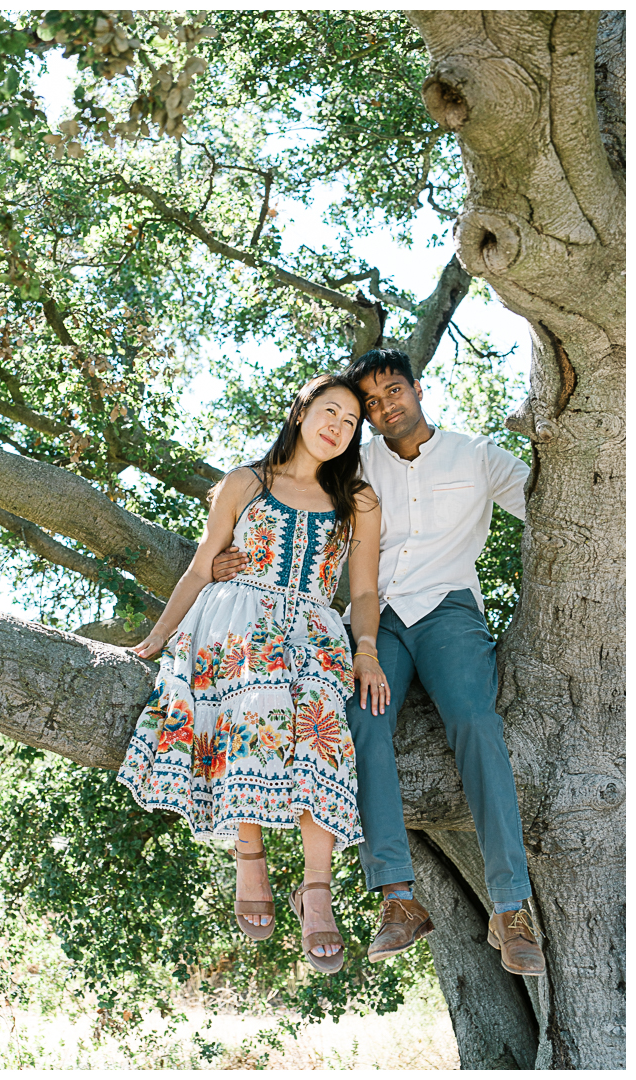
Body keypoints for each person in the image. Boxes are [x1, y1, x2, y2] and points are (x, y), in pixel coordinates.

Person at [213, 348, 546, 978]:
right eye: (371, 402)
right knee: (360, 724)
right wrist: (230, 559)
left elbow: (552, 510)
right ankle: (398, 898)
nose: (383, 406)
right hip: (376, 620)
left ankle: (510, 907)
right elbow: (284, 497)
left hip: (449, 610)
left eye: (393, 391)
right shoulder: (356, 466)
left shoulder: (476, 456)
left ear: (417, 389)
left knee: (477, 722)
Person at [117, 373, 386, 975]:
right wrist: (157, 639)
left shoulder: (358, 500)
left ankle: (317, 890)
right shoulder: (246, 483)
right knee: (253, 710)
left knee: (321, 735)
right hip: (235, 622)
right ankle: (249, 854)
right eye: (329, 411)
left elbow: (363, 590)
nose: (338, 427)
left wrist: (364, 649)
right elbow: (198, 567)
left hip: (315, 631)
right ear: (301, 411)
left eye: (349, 423)